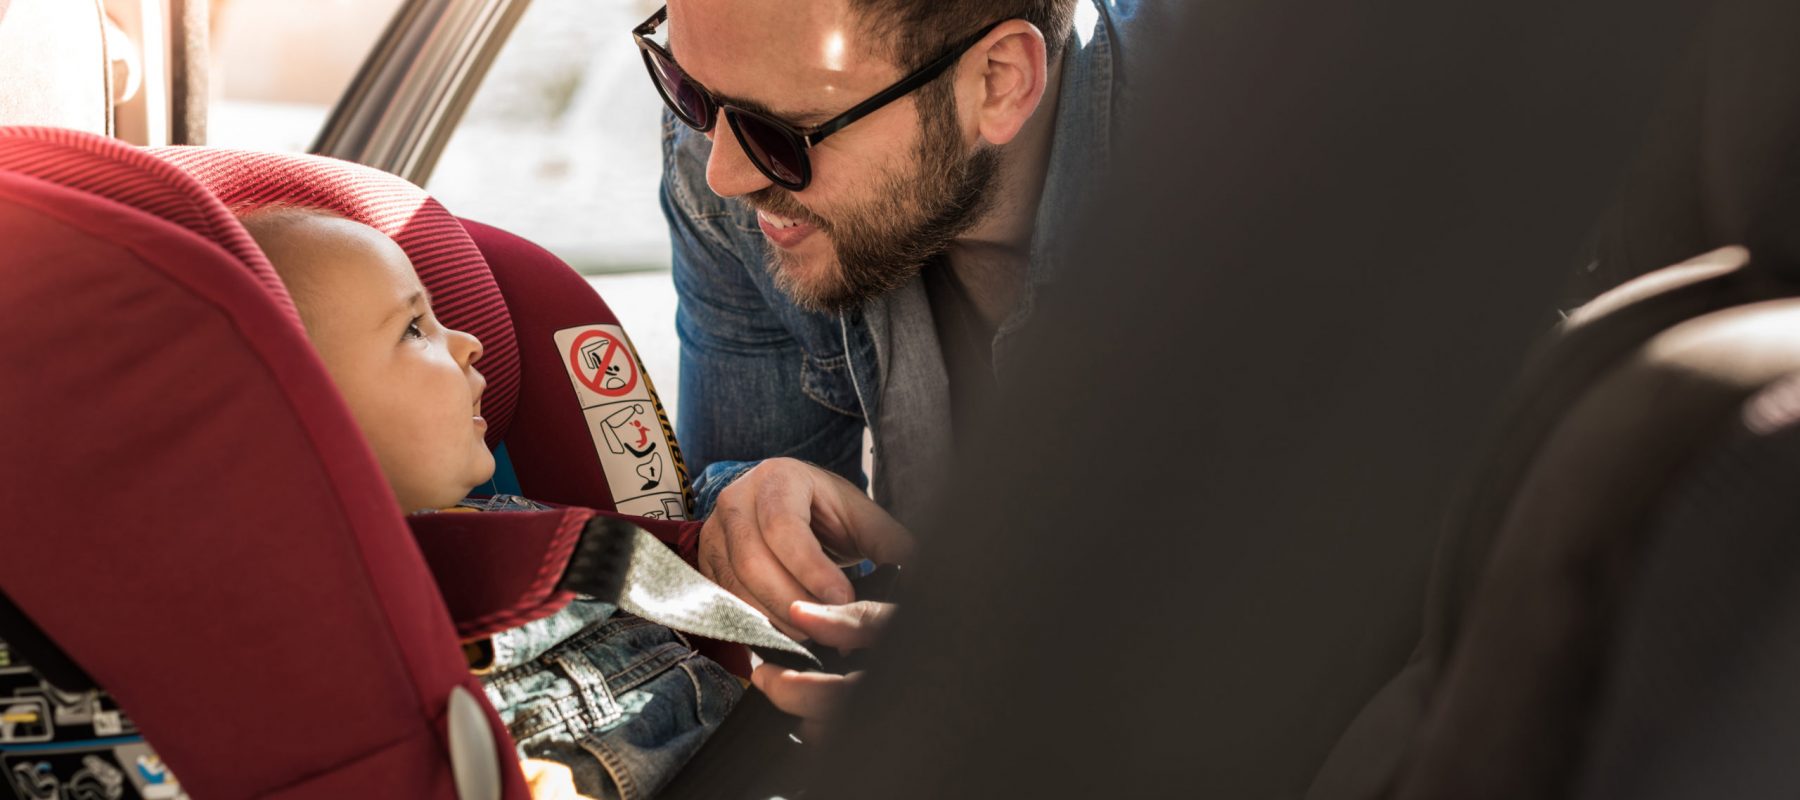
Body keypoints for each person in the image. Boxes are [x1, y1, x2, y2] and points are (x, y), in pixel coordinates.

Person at [645, 0, 1152, 726]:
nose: (724, 171)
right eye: (689, 91)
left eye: (778, 133)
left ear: (999, 81)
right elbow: (740, 603)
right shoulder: (719, 166)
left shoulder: (1256, 181)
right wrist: (748, 500)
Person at [239, 206, 741, 800]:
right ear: (298, 415)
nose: (471, 344)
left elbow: (689, 549)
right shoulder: (300, 660)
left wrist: (744, 518)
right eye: (414, 329)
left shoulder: (519, 525)